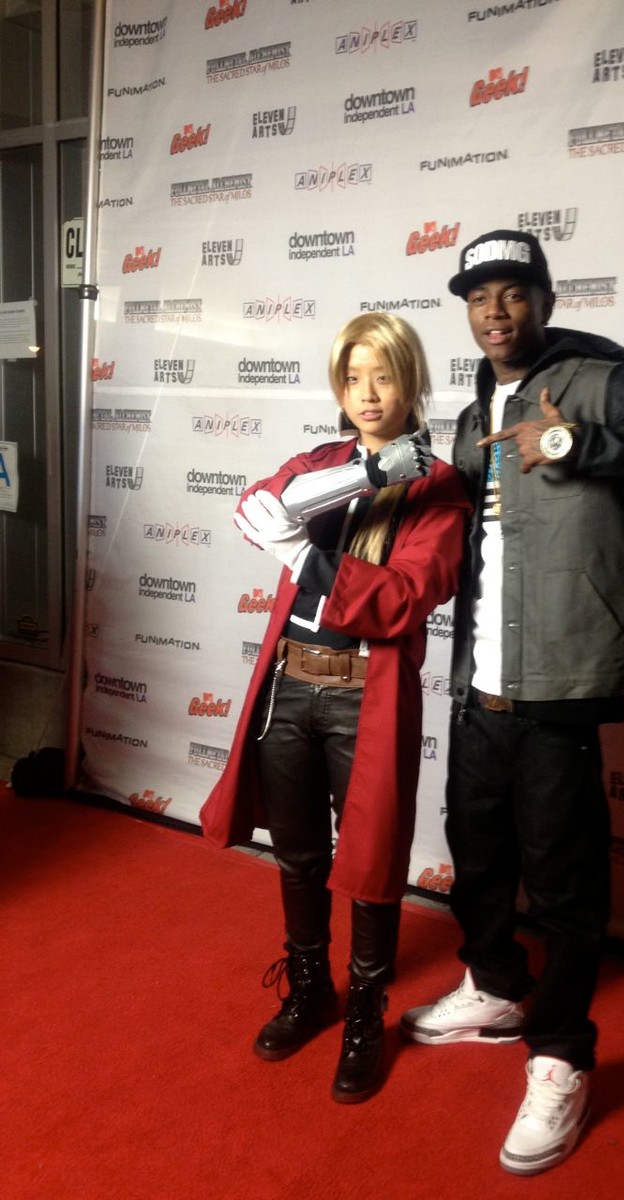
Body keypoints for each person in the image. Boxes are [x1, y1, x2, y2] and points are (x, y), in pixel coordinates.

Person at [400, 229, 624, 1174]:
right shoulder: (472, 410)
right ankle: (497, 987)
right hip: (480, 682)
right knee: (477, 857)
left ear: (545, 301)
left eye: (513, 293)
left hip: (562, 678)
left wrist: (575, 442)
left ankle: (560, 1057)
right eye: (479, 297)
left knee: (563, 882)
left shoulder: (602, 382)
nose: (495, 312)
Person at [201, 312, 469, 1104]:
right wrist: (367, 473)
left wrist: (301, 555)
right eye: (353, 378)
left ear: (411, 382)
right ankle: (312, 988)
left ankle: (364, 1014)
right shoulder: (320, 464)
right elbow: (254, 506)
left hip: (365, 693)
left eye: (383, 376)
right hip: (290, 685)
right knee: (298, 855)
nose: (368, 393)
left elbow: (404, 598)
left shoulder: (440, 486)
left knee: (373, 862)